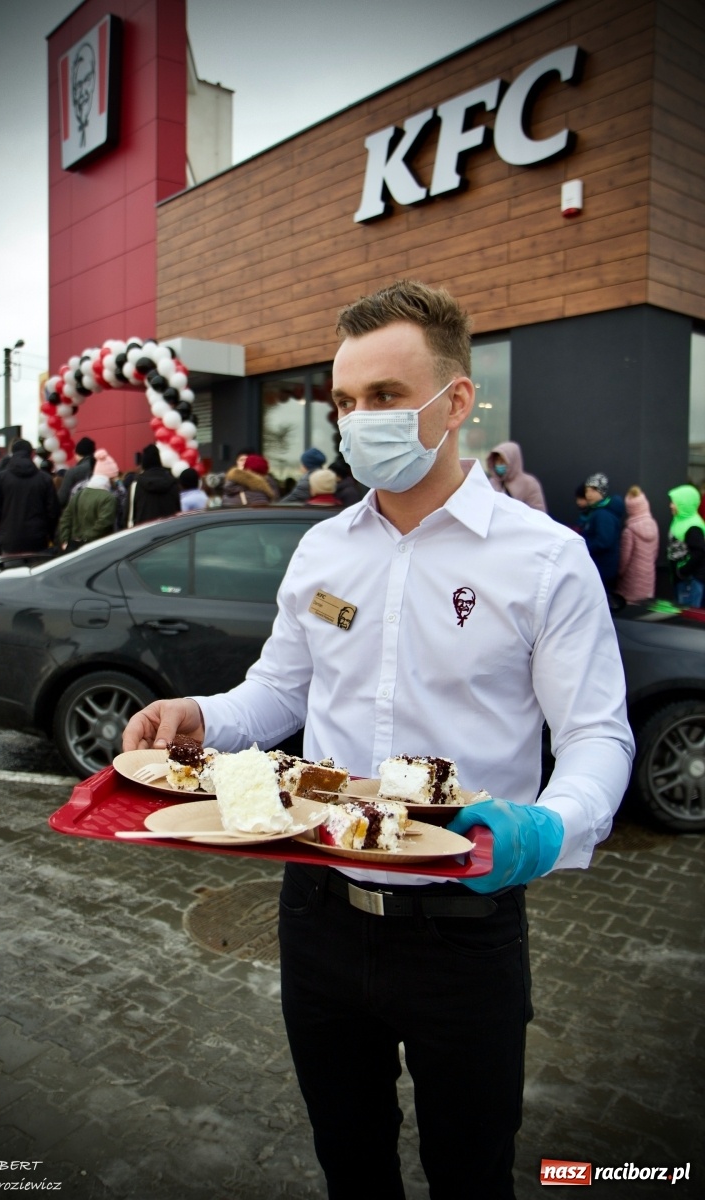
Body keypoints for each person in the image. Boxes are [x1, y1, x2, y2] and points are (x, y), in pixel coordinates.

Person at [122, 279, 634, 1200]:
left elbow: (598, 735)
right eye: (347, 402)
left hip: (465, 928)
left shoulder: (544, 558)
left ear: (457, 401)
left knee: (470, 1173)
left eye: (387, 398)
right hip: (319, 909)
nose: (361, 423)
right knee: (350, 1163)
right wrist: (200, 715)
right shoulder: (324, 552)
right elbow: (277, 692)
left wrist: (549, 828)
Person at [0, 439, 60, 556]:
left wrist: (0, 532)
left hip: (9, 540)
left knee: (12, 573)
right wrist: (48, 533)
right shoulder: (45, 479)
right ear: (31, 454)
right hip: (37, 539)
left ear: (12, 454)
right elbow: (53, 511)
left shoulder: (0, 479)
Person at [58, 450, 120, 550]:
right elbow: (104, 524)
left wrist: (66, 541)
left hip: (75, 547)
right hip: (99, 548)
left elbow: (65, 519)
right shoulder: (109, 498)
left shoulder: (79, 494)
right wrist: (84, 539)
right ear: (109, 477)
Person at [581, 472, 625, 591]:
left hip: (602, 569)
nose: (588, 494)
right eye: (587, 490)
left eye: (593, 490)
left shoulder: (602, 515)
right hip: (601, 568)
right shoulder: (596, 512)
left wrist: (583, 546)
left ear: (602, 491)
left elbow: (604, 541)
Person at [615, 485, 659, 603]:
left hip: (631, 581)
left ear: (630, 508)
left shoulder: (629, 531)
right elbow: (655, 554)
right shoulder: (654, 525)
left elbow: (624, 560)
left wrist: (618, 574)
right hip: (649, 578)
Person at [667, 483, 705, 607]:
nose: (671, 505)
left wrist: (682, 571)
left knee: (686, 620)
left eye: (674, 502)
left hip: (690, 581)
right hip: (682, 579)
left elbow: (698, 553)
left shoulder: (693, 527)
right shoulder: (680, 520)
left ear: (684, 504)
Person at [127, 444, 181, 526]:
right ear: (159, 461)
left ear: (143, 462)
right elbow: (178, 512)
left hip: (144, 535)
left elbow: (129, 518)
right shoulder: (173, 484)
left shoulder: (136, 485)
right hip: (170, 534)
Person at [486, 440, 547, 511]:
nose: (499, 464)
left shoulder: (529, 484)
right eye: (497, 460)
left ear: (513, 460)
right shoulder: (492, 483)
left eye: (503, 460)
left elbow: (538, 514)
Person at [57, 436, 96, 508]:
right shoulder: (101, 469)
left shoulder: (72, 472)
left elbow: (61, 499)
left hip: (77, 514)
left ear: (78, 453)